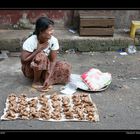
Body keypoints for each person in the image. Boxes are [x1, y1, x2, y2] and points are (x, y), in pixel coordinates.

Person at [21, 16, 71, 92]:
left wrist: (49, 78)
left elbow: (53, 61)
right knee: (41, 56)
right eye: (50, 30)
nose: (52, 32)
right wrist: (39, 50)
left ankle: (45, 80)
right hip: (30, 70)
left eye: (52, 29)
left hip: (44, 68)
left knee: (65, 66)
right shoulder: (31, 41)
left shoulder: (53, 40)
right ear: (41, 31)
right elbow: (23, 61)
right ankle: (36, 81)